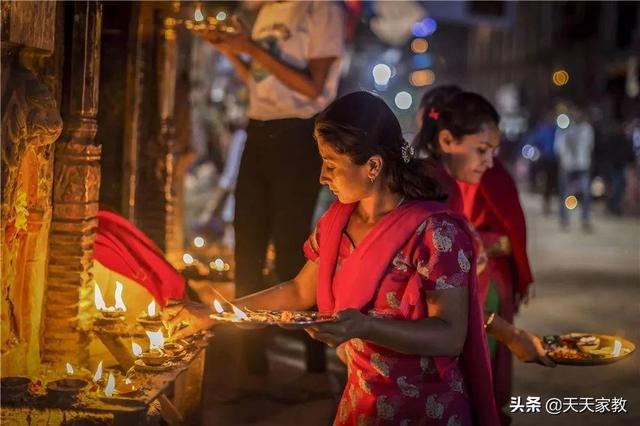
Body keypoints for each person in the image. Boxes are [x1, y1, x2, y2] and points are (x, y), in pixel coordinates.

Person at [167, 91, 499, 425]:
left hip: (426, 409)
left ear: (372, 165)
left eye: (330, 165)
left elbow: (450, 336)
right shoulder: (336, 223)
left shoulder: (435, 233)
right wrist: (211, 314)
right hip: (359, 402)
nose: (322, 177)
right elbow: (298, 292)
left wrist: (366, 326)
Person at [197, 1, 345, 384]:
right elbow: (259, 81)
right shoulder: (267, 12)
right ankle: (250, 364)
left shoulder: (321, 10)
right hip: (259, 129)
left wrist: (252, 47)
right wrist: (229, 48)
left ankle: (313, 365)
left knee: (290, 249)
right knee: (247, 243)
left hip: (299, 134)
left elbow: (313, 87)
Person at [416, 87, 554, 423]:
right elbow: (435, 302)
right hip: (424, 337)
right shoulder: (437, 190)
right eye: (482, 150)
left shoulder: (437, 180)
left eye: (492, 151)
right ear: (446, 139)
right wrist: (511, 333)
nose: (490, 162)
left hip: (475, 289)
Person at [554, 104, 595, 231]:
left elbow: (590, 147)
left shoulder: (587, 129)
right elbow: (558, 147)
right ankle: (564, 219)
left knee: (586, 193)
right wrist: (562, 163)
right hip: (567, 165)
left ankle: (585, 219)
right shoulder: (564, 128)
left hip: (583, 165)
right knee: (564, 194)